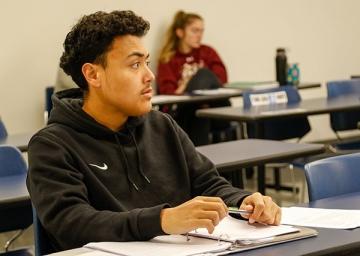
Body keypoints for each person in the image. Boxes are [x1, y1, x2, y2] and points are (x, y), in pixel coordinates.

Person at [26, 10, 281, 252]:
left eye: (146, 63)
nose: (150, 76)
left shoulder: (161, 125)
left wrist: (245, 201)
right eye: (135, 65)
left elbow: (208, 183)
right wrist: (161, 220)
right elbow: (72, 224)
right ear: (93, 74)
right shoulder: (52, 145)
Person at [157, 11, 232, 145]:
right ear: (180, 32)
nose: (199, 35)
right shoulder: (168, 58)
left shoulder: (207, 52)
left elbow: (221, 79)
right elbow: (167, 92)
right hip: (182, 114)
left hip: (213, 110)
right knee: (200, 115)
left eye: (201, 31)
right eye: (194, 31)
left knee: (203, 76)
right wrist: (186, 85)